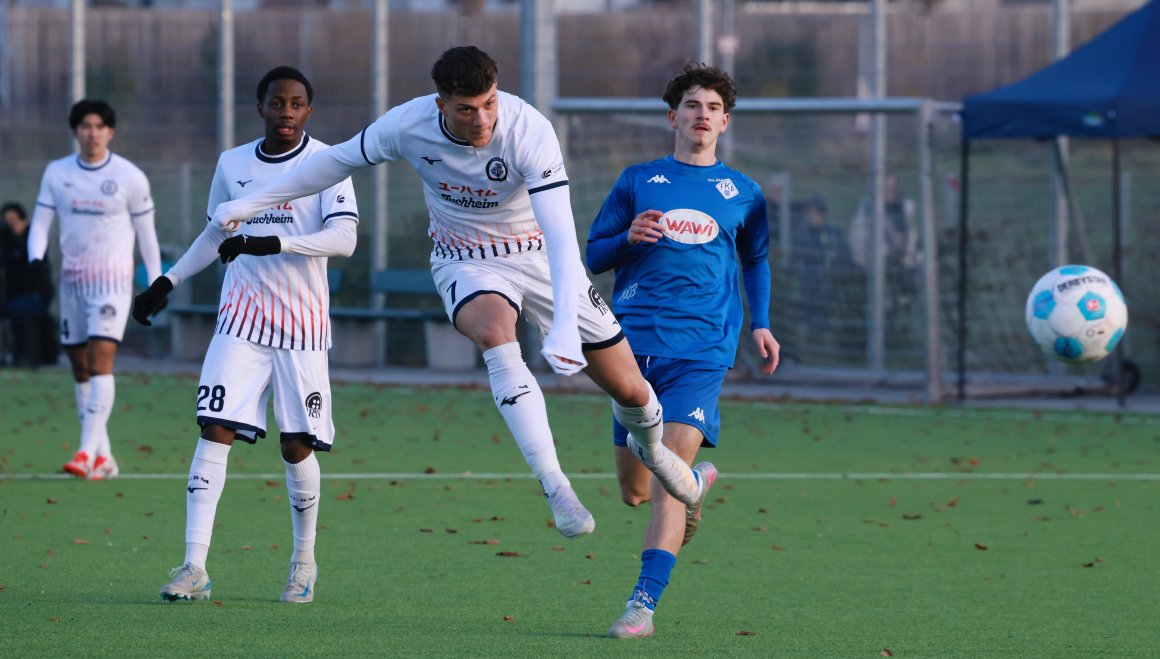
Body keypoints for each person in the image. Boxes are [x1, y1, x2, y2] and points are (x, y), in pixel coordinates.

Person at [208, 46, 715, 540]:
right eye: (467, 109)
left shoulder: (529, 129)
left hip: (538, 257)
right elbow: (334, 162)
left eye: (489, 103)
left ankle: (657, 456)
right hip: (465, 260)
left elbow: (561, 237)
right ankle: (555, 485)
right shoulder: (407, 125)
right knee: (497, 333)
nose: (482, 119)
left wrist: (562, 324)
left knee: (630, 392)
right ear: (441, 106)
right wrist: (251, 203)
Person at [133, 66, 358, 604]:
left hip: (302, 327)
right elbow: (218, 231)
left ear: (309, 111)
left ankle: (303, 563)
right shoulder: (232, 164)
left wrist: (269, 245)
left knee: (297, 444)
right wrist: (166, 280)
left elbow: (344, 239)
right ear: (260, 107)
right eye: (276, 103)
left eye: (297, 104)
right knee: (214, 429)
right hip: (241, 319)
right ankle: (193, 565)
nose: (286, 112)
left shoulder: (329, 164)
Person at [587, 62, 780, 639]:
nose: (703, 116)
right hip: (632, 344)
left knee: (668, 480)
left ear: (725, 122)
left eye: (714, 108)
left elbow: (756, 262)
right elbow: (593, 256)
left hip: (703, 349)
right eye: (693, 106)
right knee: (635, 490)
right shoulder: (638, 180)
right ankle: (694, 488)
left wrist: (761, 325)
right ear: (674, 116)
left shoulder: (744, 194)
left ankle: (641, 606)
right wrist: (627, 239)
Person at [27, 99, 162, 480]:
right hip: (72, 284)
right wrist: (36, 261)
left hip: (112, 285)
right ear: (76, 132)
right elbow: (39, 225)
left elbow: (147, 237)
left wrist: (156, 284)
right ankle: (105, 456)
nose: (92, 133)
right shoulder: (57, 173)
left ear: (110, 132)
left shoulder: (130, 177)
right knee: (80, 368)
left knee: (101, 361)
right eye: (85, 126)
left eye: (99, 126)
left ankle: (85, 453)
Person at [2, 202, 55, 367]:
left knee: (19, 310)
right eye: (6, 222)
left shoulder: (34, 238)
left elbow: (38, 271)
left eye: (13, 221)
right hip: (12, 295)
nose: (10, 226)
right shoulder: (5, 239)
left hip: (35, 294)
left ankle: (25, 357)